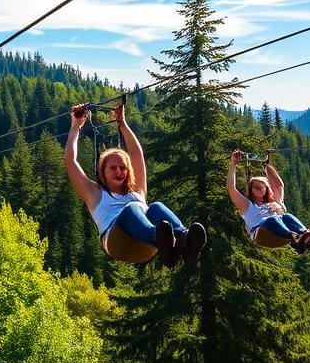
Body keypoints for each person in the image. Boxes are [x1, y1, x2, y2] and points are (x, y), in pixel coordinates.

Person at [64, 101, 207, 266]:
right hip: (117, 243)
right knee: (132, 208)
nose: (119, 171)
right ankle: (161, 239)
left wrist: (123, 124)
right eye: (113, 168)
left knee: (156, 207)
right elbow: (70, 161)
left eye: (123, 168)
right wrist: (76, 126)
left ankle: (184, 242)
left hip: (147, 246)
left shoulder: (137, 189)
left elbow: (137, 156)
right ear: (102, 172)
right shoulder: (94, 193)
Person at [227, 150, 310, 253]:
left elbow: (279, 185)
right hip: (261, 235)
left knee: (286, 216)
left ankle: (305, 236)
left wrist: (268, 165)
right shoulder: (247, 205)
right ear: (250, 190)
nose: (259, 189)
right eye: (255, 187)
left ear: (266, 189)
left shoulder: (275, 202)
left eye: (262, 186)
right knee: (272, 219)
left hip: (281, 236)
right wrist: (233, 164)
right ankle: (295, 237)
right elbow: (231, 188)